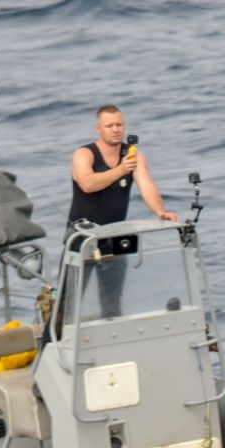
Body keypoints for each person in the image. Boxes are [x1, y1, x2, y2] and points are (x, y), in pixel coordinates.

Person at [66, 105, 176, 319]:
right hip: (82, 236)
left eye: (119, 125)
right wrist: (120, 170)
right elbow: (87, 184)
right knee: (69, 303)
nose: (115, 129)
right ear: (98, 129)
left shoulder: (132, 155)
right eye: (109, 126)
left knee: (113, 304)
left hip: (114, 236)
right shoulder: (84, 154)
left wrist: (160, 211)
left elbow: (146, 185)